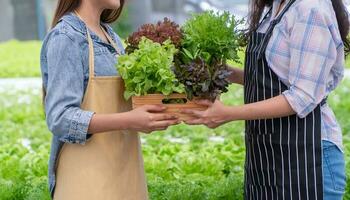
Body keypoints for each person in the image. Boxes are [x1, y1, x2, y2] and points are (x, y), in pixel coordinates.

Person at [182, 0, 348, 199]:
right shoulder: (277, 7)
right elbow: (276, 78)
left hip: (308, 157)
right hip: (267, 155)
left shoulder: (311, 9)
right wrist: (223, 73)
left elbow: (303, 95)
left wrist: (228, 113)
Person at [40, 0, 180, 199]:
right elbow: (60, 118)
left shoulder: (111, 36)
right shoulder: (66, 37)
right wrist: (129, 120)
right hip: (87, 181)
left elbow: (121, 105)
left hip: (125, 174)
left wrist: (150, 115)